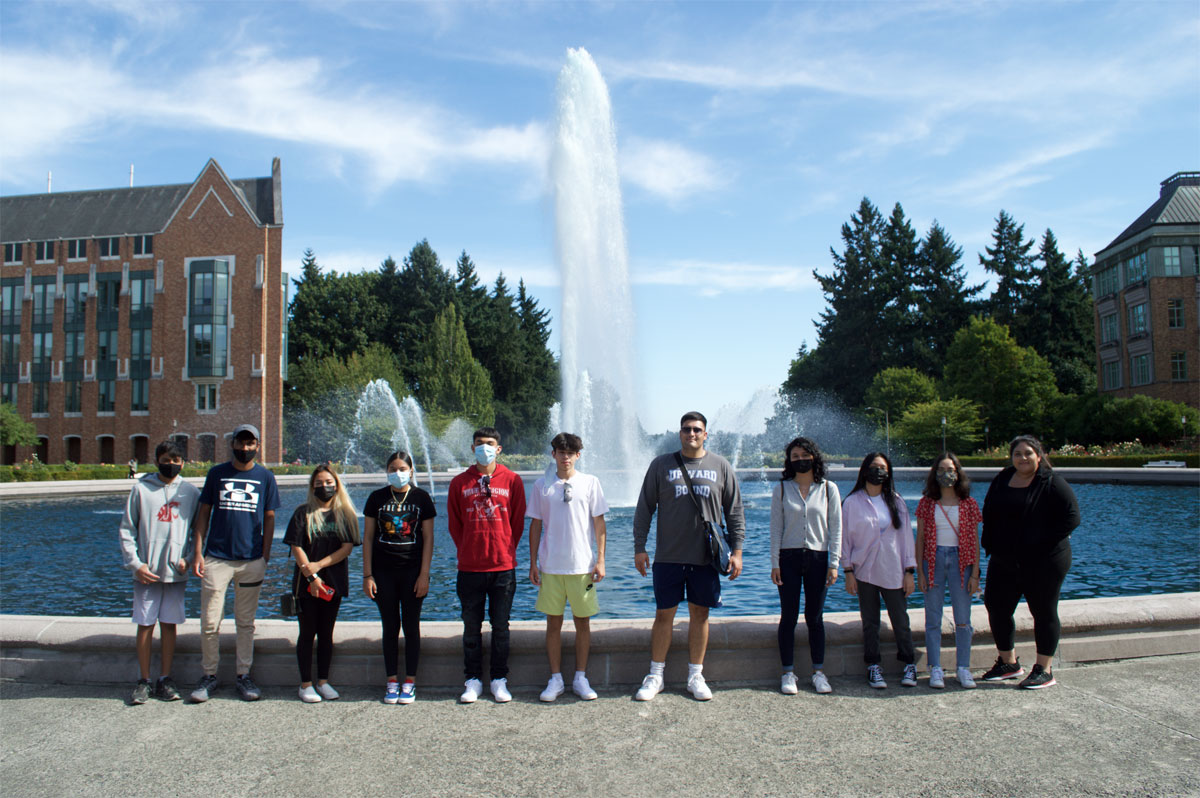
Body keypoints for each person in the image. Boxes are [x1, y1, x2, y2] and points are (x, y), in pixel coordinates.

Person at [632, 411, 746, 702]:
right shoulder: (662, 465)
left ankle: (696, 675)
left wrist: (737, 552)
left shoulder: (721, 466)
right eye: (686, 429)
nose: (691, 434)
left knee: (700, 615)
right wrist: (639, 547)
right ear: (679, 433)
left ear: (706, 434)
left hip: (705, 558)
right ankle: (655, 675)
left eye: (697, 429)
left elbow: (734, 512)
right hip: (668, 556)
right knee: (663, 615)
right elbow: (645, 507)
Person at [189, 423, 280, 703]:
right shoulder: (217, 474)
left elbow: (270, 518)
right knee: (209, 622)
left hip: (251, 560)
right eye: (240, 443)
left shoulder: (265, 477)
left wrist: (264, 556)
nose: (244, 448)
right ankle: (209, 675)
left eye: (250, 443)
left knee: (245, 623)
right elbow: (203, 514)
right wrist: (198, 552)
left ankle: (243, 675)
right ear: (233, 444)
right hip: (217, 558)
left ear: (257, 446)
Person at [980, 435, 1080, 689]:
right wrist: (989, 542)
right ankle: (1008, 663)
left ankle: (1044, 669)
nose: (1022, 458)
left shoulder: (1052, 482)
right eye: (1017, 454)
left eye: (1028, 453)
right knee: (996, 606)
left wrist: (1040, 540)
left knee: (1043, 611)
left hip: (1044, 561)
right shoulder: (1003, 478)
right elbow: (990, 509)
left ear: (1039, 455)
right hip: (1005, 558)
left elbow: (1072, 517)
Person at [528, 433, 609, 702]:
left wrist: (600, 559)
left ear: (578, 455)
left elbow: (599, 524)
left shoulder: (590, 483)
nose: (565, 457)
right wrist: (532, 563)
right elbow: (536, 524)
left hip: (582, 566)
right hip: (551, 566)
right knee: (553, 623)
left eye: (570, 452)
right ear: (553, 454)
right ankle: (555, 679)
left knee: (582, 623)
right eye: (560, 452)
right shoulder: (542, 485)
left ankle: (581, 677)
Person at [447, 427, 526, 704]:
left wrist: (504, 547)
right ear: (472, 448)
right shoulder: (459, 483)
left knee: (501, 626)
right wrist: (469, 548)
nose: (484, 448)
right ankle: (472, 680)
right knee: (471, 627)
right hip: (469, 568)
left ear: (499, 448)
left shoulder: (513, 480)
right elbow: (454, 524)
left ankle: (499, 679)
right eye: (479, 444)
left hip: (502, 567)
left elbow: (517, 523)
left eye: (490, 443)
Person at [118, 440, 200, 704]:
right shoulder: (140, 490)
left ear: (183, 463)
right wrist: (136, 564)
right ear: (157, 460)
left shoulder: (190, 492)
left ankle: (164, 678)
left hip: (176, 572)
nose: (172, 464)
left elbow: (199, 533)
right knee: (145, 624)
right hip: (147, 572)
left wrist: (189, 558)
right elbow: (127, 530)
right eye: (167, 459)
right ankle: (143, 680)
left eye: (177, 460)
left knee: (168, 624)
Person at [362, 451, 436, 704]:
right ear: (387, 471)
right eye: (393, 468)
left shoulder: (421, 498)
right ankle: (391, 680)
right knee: (390, 627)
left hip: (412, 572)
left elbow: (428, 539)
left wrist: (424, 574)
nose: (398, 472)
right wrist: (367, 575)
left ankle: (410, 682)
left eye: (402, 468)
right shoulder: (376, 498)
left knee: (412, 626)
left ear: (411, 470)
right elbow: (368, 538)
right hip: (383, 572)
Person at [284, 463, 361, 703]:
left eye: (329, 483)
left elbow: (346, 548)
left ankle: (323, 682)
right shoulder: (302, 512)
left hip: (333, 583)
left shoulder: (345, 514)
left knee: (326, 633)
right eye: (319, 484)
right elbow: (296, 547)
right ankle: (305, 684)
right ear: (312, 486)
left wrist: (320, 566)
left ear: (337, 485)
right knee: (307, 633)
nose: (324, 487)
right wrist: (312, 576)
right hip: (306, 584)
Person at [770, 436, 841, 696]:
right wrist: (774, 563)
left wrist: (834, 563)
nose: (800, 460)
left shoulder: (828, 488)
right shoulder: (781, 488)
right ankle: (788, 672)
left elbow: (836, 527)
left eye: (805, 455)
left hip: (818, 558)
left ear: (814, 457)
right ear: (789, 461)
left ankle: (818, 672)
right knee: (788, 617)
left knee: (815, 617)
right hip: (788, 559)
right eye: (795, 456)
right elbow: (775, 528)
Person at [841, 452, 917, 689]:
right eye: (874, 467)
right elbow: (844, 540)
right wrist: (848, 572)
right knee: (870, 621)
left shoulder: (896, 501)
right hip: (864, 571)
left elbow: (906, 539)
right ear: (864, 470)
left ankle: (909, 664)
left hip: (893, 569)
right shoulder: (852, 502)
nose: (878, 471)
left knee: (900, 620)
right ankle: (873, 665)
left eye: (883, 468)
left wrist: (909, 571)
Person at [915, 452, 981, 690]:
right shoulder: (927, 503)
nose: (946, 474)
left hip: (961, 561)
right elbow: (920, 538)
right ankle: (935, 668)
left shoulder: (969, 504)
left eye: (950, 470)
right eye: (941, 470)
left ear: (958, 472)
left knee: (963, 619)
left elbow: (975, 540)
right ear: (934, 474)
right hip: (933, 560)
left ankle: (963, 667)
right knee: (933, 618)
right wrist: (920, 572)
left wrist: (975, 574)